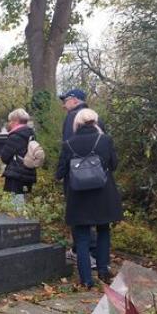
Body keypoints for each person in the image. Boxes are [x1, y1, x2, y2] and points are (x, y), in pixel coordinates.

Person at [56, 108, 123, 288]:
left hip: (79, 197)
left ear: (76, 123)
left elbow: (59, 172)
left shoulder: (68, 144)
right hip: (103, 194)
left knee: (82, 238)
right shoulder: (105, 140)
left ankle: (86, 280)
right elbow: (114, 165)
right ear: (96, 121)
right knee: (103, 231)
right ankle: (103, 271)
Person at [0, 108, 36, 209]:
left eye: (10, 121)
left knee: (17, 200)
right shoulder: (30, 133)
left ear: (15, 121)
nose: (9, 123)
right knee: (23, 198)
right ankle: (24, 218)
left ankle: (19, 221)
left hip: (17, 173)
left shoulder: (16, 136)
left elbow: (5, 157)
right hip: (28, 170)